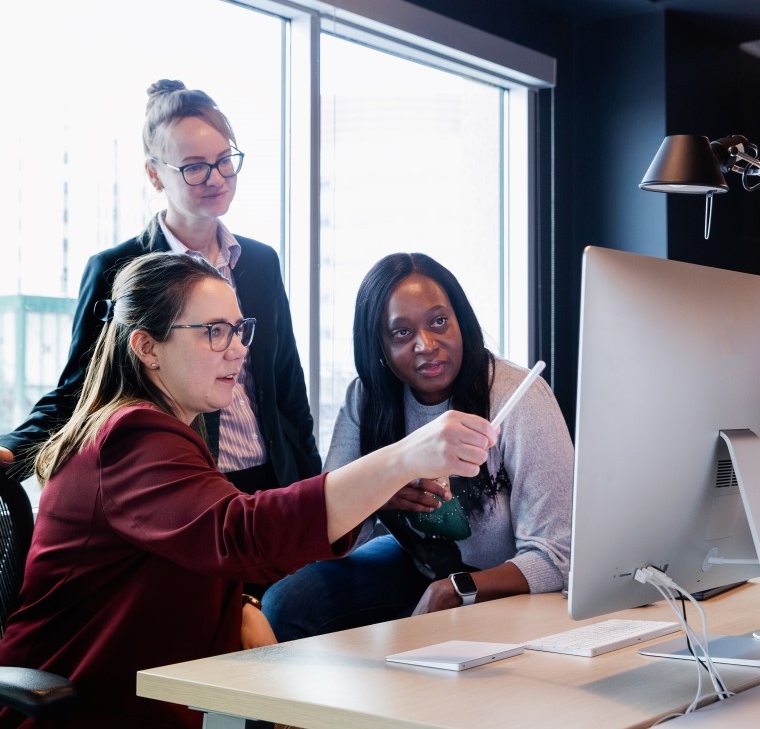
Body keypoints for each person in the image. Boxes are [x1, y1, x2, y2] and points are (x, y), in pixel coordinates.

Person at [0, 252, 496, 728]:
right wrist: (405, 456)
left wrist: (243, 607)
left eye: (239, 330)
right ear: (147, 347)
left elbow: (192, 550)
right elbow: (242, 534)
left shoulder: (164, 433)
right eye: (214, 332)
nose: (238, 348)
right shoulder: (132, 438)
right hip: (82, 714)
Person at [0, 79, 319, 495]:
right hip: (182, 482)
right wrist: (9, 452)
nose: (216, 177)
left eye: (225, 160)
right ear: (154, 175)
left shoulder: (260, 261)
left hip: (273, 477)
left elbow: (287, 386)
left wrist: (316, 489)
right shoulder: (118, 268)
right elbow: (80, 390)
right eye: (193, 166)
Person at [262, 252, 573, 641]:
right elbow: (332, 533)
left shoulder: (518, 397)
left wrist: (457, 586)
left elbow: (558, 554)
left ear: (462, 321)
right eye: (401, 333)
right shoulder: (366, 399)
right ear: (378, 344)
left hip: (506, 579)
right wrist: (377, 495)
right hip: (415, 563)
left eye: (439, 322)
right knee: (287, 603)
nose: (426, 344)